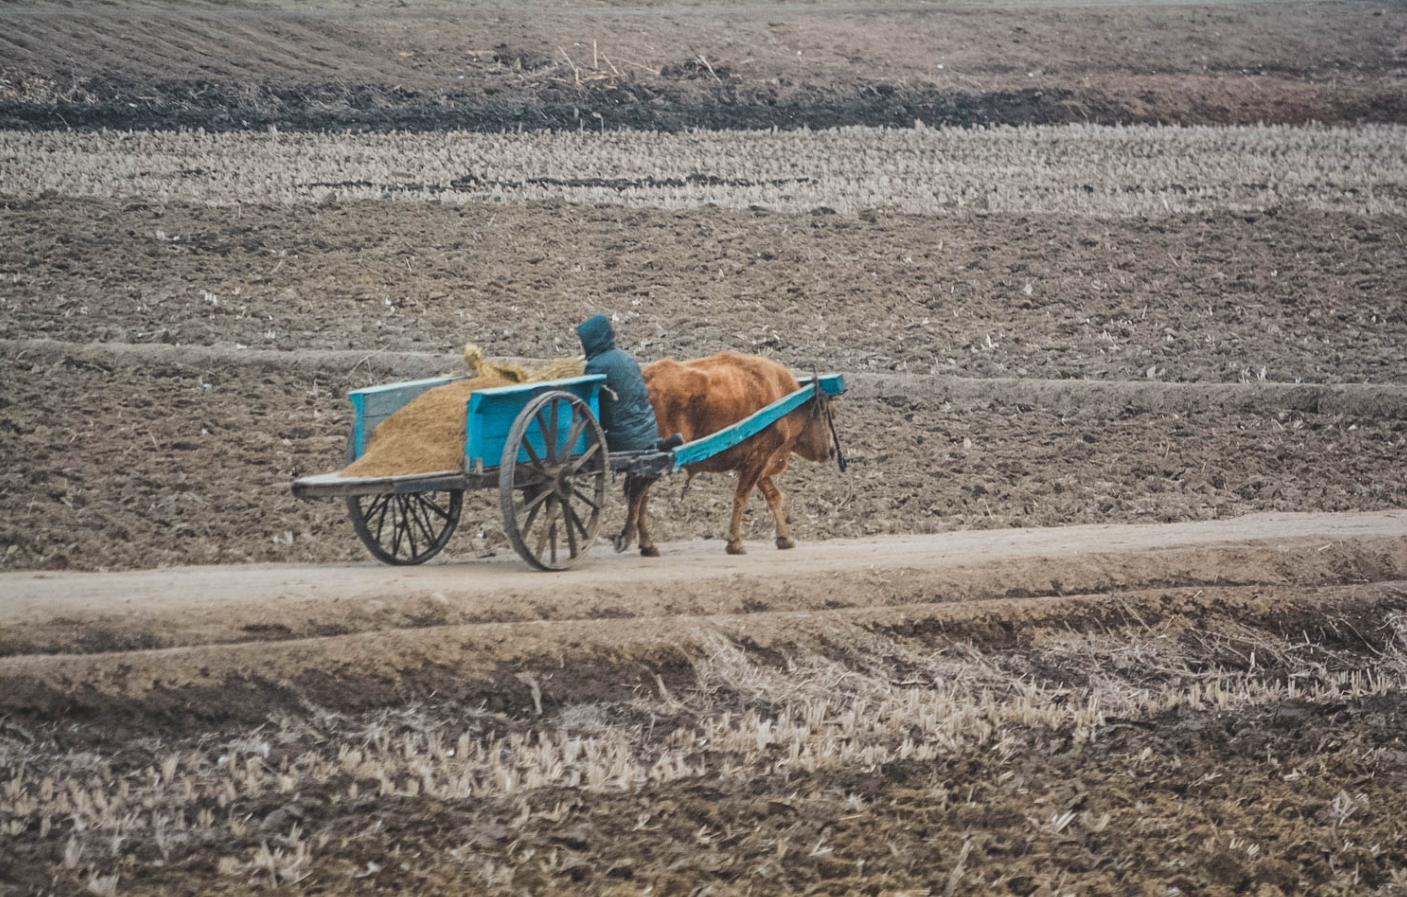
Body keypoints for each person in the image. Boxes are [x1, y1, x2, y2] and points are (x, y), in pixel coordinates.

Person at [576, 314, 660, 453]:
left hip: (622, 441)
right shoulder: (627, 358)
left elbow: (586, 405)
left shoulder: (596, 366)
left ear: (591, 340)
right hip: (649, 432)